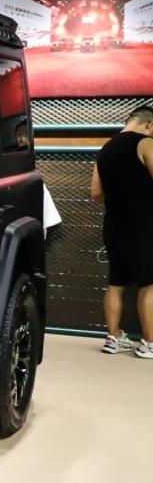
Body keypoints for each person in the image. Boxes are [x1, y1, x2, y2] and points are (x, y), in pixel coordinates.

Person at [90, 105, 153, 359]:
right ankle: (148, 343)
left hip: (114, 225)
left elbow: (96, 193)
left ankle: (114, 337)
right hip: (145, 226)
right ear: (149, 124)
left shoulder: (105, 149)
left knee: (116, 284)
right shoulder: (146, 143)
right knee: (149, 285)